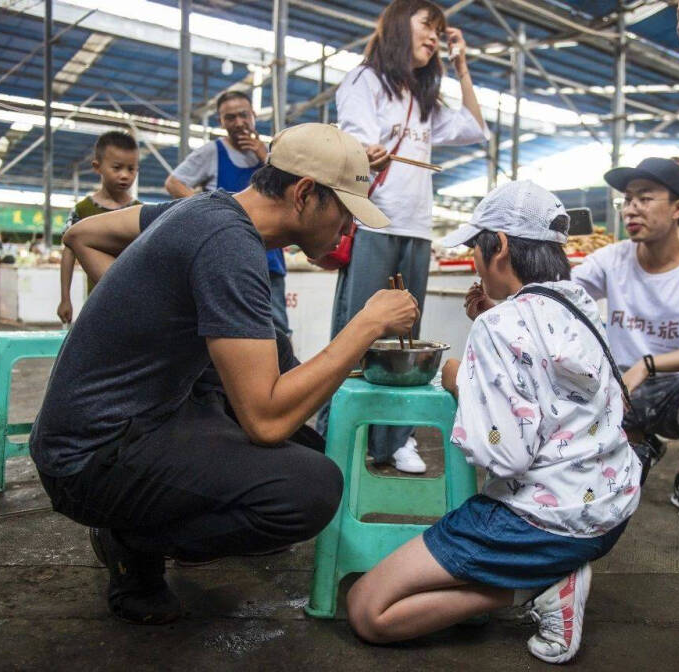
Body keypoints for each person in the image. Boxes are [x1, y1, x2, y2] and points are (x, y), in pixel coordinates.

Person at [32, 124, 419, 625]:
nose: (348, 229)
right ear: (304, 193)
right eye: (344, 211)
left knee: (298, 432)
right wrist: (366, 324)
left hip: (126, 422)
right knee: (308, 490)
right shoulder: (226, 244)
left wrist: (149, 310)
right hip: (87, 457)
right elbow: (265, 421)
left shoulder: (200, 209)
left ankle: (144, 518)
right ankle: (130, 539)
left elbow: (81, 234)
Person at [346, 181, 640, 664]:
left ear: (498, 245)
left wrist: (461, 379)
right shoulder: (579, 304)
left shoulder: (498, 326)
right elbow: (551, 377)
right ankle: (545, 574)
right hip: (610, 508)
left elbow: (503, 454)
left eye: (475, 248)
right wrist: (495, 324)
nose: (475, 262)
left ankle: (534, 586)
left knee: (368, 612)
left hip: (544, 523)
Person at [326, 0, 489, 473]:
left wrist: (461, 65)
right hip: (374, 221)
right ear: (400, 25)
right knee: (358, 333)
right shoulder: (364, 80)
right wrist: (364, 153)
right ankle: (343, 433)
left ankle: (393, 440)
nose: (435, 37)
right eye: (428, 26)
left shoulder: (423, 99)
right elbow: (355, 140)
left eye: (440, 31)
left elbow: (476, 128)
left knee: (404, 337)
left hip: (416, 229)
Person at [572, 158, 679, 524]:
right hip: (618, 388)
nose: (631, 209)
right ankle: (638, 441)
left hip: (676, 391)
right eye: (627, 200)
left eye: (645, 199)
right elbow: (560, 290)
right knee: (595, 499)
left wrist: (647, 365)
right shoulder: (611, 259)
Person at [164, 91, 291, 336]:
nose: (238, 123)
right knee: (227, 328)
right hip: (226, 259)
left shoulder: (274, 155)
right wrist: (210, 209)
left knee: (278, 330)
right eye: (229, 117)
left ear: (254, 115)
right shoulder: (212, 152)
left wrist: (264, 157)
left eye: (244, 115)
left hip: (269, 261)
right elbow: (174, 183)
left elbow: (290, 193)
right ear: (221, 122)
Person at [57, 131, 141, 324]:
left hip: (134, 301)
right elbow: (68, 254)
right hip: (97, 301)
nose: (125, 175)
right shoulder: (82, 210)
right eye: (117, 168)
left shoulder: (140, 211)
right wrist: (65, 299)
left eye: (131, 169)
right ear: (97, 167)